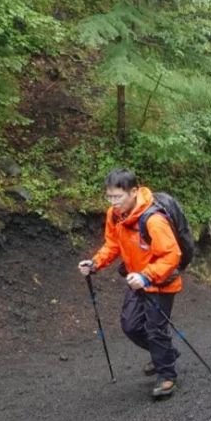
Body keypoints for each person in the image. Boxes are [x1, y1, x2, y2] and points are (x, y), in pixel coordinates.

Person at [78, 169, 182, 398]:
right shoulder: (115, 215)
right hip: (137, 280)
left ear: (133, 192)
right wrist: (95, 263)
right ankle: (165, 353)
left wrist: (147, 275)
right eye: (110, 197)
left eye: (118, 197)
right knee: (131, 325)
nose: (113, 202)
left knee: (155, 329)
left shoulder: (154, 220)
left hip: (160, 281)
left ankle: (167, 376)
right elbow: (112, 244)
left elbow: (171, 255)